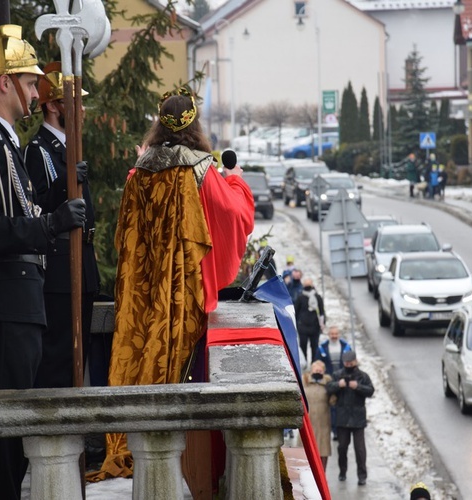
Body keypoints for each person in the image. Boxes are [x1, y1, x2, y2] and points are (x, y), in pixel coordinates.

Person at [0, 25, 87, 500]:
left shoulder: (2, 142)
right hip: (3, 302)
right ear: (4, 81)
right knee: (4, 447)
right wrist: (50, 225)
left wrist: (51, 217)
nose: (35, 93)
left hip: (19, 301)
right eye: (29, 82)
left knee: (15, 443)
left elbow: (16, 214)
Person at [92, 87, 254, 480]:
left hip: (142, 290)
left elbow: (126, 234)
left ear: (158, 124)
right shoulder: (200, 168)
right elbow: (234, 217)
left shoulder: (141, 169)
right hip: (180, 291)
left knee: (138, 349)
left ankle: (129, 437)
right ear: (195, 125)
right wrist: (235, 181)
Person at [23, 62, 103, 389]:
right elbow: (36, 206)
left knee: (78, 361)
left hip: (81, 267)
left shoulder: (69, 146)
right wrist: (66, 181)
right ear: (55, 106)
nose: (82, 110)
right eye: (75, 103)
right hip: (58, 273)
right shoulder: (38, 150)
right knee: (58, 362)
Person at [327, 350, 375, 485]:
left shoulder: (362, 376)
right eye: (346, 363)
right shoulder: (338, 375)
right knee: (342, 448)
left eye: (351, 362)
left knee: (360, 449)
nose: (348, 365)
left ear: (355, 361)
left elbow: (370, 391)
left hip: (358, 419)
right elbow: (329, 388)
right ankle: (342, 471)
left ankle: (362, 476)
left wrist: (357, 386)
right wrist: (338, 385)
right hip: (343, 419)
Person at [317, 326, 352, 437]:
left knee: (342, 404)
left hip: (342, 380)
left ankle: (342, 427)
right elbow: (317, 362)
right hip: (329, 381)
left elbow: (351, 363)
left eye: (336, 334)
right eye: (332, 334)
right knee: (332, 405)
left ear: (339, 334)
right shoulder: (322, 348)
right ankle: (334, 429)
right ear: (328, 335)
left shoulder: (346, 347)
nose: (334, 336)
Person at [301, 360, 333, 470]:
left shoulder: (328, 384)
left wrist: (332, 391)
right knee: (305, 453)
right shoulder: (304, 381)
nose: (318, 372)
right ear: (311, 371)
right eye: (316, 370)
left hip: (323, 424)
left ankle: (321, 479)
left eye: (320, 370)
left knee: (322, 452)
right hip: (307, 423)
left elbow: (333, 402)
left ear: (324, 372)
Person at [294, 278, 325, 364]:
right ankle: (304, 364)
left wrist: (322, 324)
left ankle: (314, 364)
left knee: (314, 347)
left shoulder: (318, 297)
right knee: (303, 347)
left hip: (315, 326)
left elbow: (322, 311)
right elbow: (296, 311)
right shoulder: (300, 298)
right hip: (303, 327)